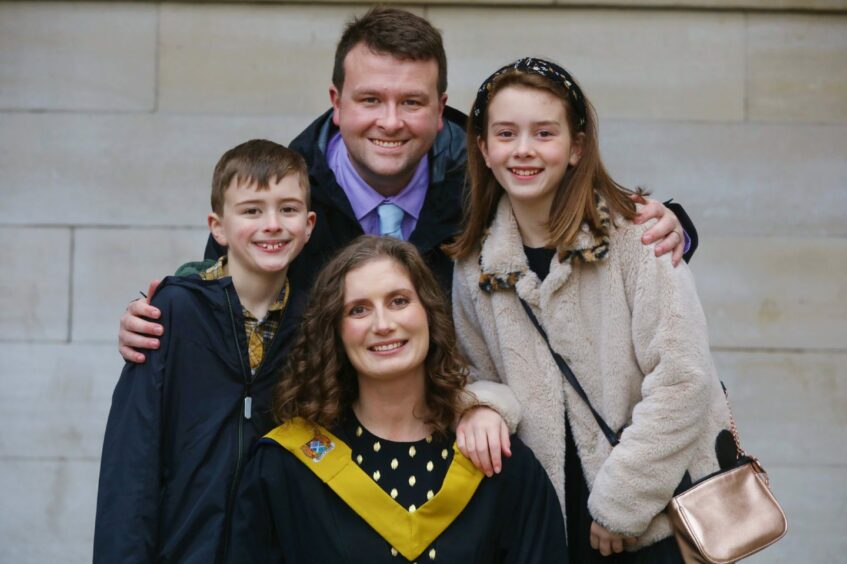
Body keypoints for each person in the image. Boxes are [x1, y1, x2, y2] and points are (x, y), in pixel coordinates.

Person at [116, 7, 695, 364]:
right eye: (370, 99)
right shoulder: (281, 200)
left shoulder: (488, 181)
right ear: (336, 103)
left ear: (441, 107)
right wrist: (162, 316)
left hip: (462, 455)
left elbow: (575, 215)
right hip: (314, 463)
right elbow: (228, 306)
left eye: (412, 102)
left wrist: (674, 227)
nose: (390, 121)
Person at [447, 59, 732, 562]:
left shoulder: (636, 235)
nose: (524, 150)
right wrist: (482, 405)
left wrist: (621, 503)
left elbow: (684, 377)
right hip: (546, 523)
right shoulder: (475, 264)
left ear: (576, 147)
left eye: (544, 133)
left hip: (654, 518)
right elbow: (474, 370)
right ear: (484, 148)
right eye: (506, 133)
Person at [226, 236, 568, 563]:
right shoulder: (286, 469)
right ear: (336, 332)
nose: (383, 324)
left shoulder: (498, 463)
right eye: (358, 310)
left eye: (399, 301)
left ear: (430, 314)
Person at [93, 140, 316, 563]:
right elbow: (132, 462)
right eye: (252, 210)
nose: (272, 224)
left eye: (287, 209)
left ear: (309, 224)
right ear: (218, 226)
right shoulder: (174, 312)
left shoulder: (315, 325)